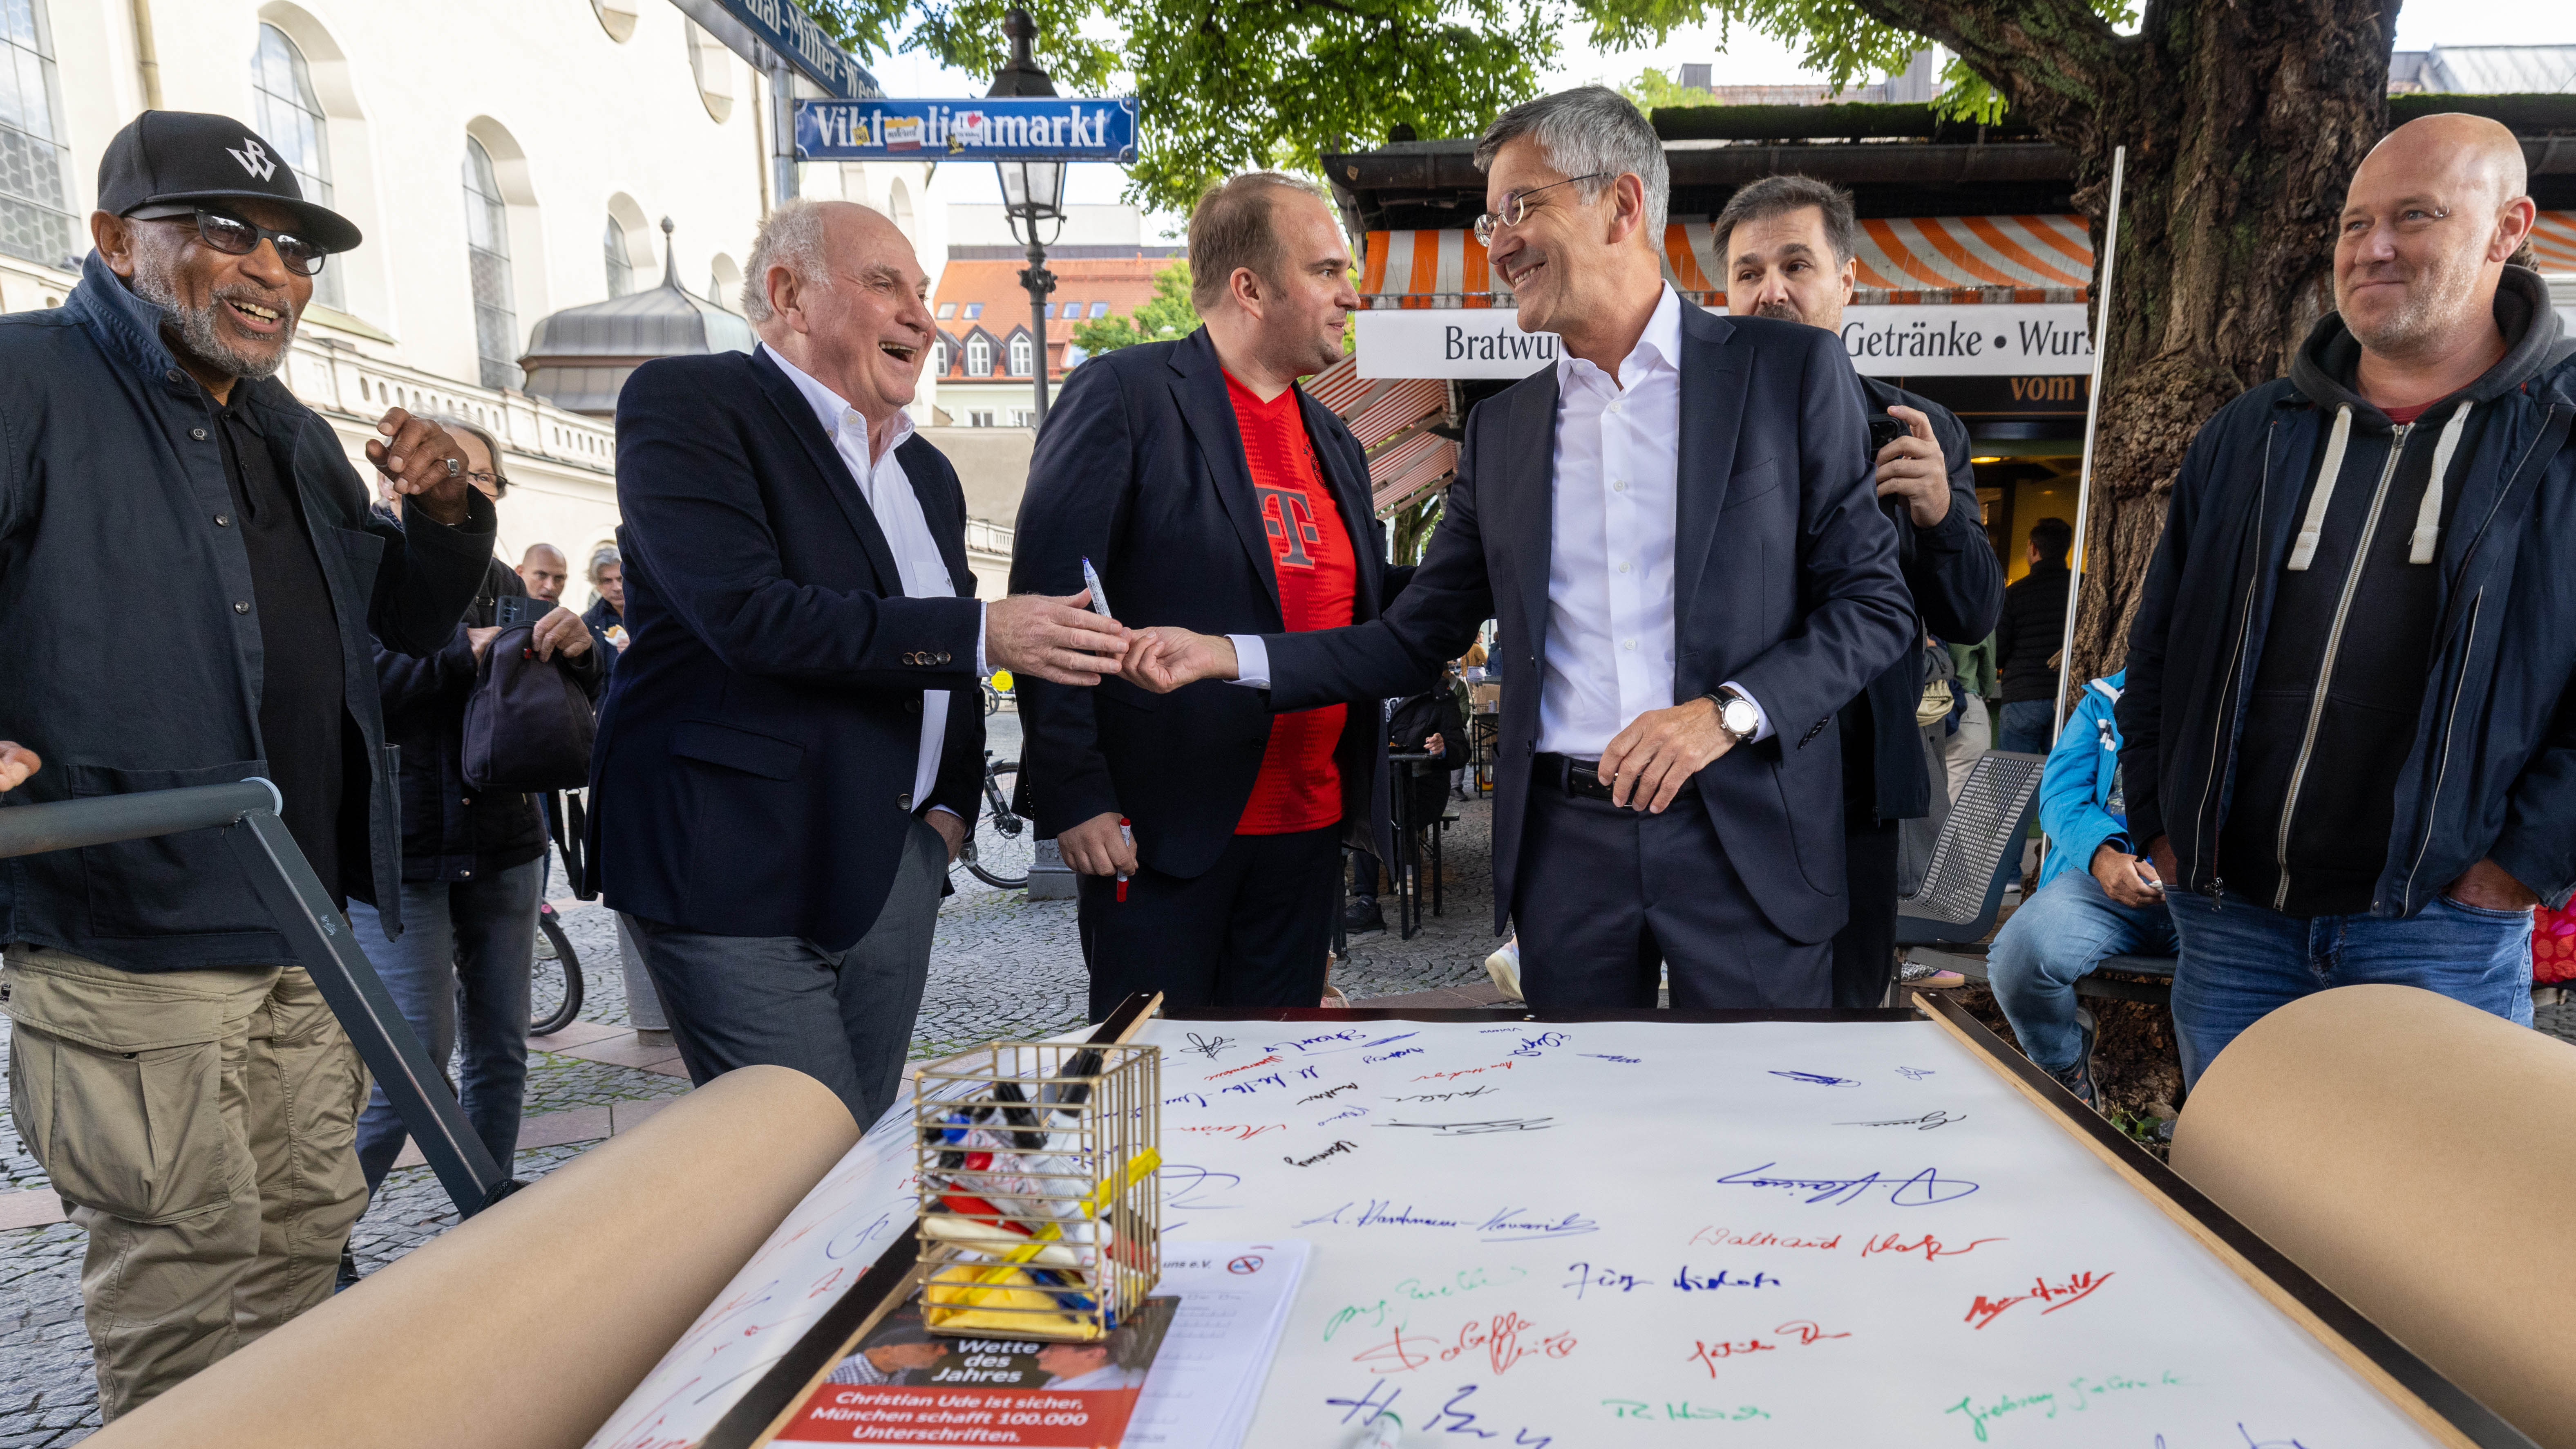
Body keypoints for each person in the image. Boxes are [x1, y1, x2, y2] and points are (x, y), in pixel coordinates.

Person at [1122, 87, 1912, 1011]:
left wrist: (1724, 713)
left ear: (1620, 204)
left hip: (1747, 829)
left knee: (1751, 1129)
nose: (1495, 244)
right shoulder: (1502, 428)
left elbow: (1872, 606)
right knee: (1574, 1130)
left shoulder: (1788, 373)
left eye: (1519, 207)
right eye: (1488, 217)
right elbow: (1410, 637)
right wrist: (1228, 656)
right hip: (1566, 853)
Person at [0, 110, 494, 1416]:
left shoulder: (289, 429)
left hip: (302, 926)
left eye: (292, 246)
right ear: (114, 240)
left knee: (297, 1255)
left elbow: (397, 619)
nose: (269, 267)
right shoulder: (28, 376)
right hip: (131, 939)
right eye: (224, 230)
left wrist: (444, 517)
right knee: (186, 1278)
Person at [590, 199, 1128, 1131]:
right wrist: (985, 631)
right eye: (885, 284)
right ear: (789, 296)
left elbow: (946, 663)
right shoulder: (691, 405)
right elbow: (748, 616)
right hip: (736, 869)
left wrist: (948, 816)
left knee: (865, 1138)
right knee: (799, 1164)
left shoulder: (928, 475)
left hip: (892, 868)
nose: (922, 315)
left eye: (923, 291)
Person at [2121, 112, 2574, 1086]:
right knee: (2234, 1212)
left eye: (2413, 216)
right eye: (2352, 223)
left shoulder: (2563, 439)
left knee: (2420, 1218)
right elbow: (2156, 646)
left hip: (2437, 930)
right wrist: (2163, 822)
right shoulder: (2247, 432)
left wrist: (2516, 868)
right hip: (2230, 923)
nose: (2371, 248)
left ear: (2508, 228)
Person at [1010, 172, 1395, 1018]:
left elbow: (1353, 608)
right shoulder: (1124, 396)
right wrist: (1076, 794)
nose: (1350, 293)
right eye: (1327, 270)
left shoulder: (1336, 438)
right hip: (1160, 836)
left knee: (1277, 1078)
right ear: (1249, 288)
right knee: (1160, 1088)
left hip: (1306, 832)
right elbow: (1049, 605)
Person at [1713, 174, 2005, 1009]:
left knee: (1847, 1019)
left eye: (1795, 264)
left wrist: (1942, 514)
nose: (1770, 290)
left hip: (1858, 786)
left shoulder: (1912, 427)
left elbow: (1972, 613)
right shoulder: (1688, 433)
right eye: (1747, 272)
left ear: (1845, 280)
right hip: (1728, 771)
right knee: (1721, 1020)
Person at [348, 420, 602, 1204]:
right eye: (442, 471)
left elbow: (569, 706)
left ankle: (486, 1200)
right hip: (401, 847)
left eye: (480, 478)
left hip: (503, 840)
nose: (461, 486)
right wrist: (464, 655)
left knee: (501, 1043)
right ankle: (320, 1235)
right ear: (396, 482)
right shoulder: (356, 569)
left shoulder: (506, 584)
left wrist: (584, 654)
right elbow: (354, 690)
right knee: (413, 1053)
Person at [1987, 671, 2175, 1106]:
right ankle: (2064, 1068)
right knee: (2019, 958)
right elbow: (2060, 793)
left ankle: (2221, 1117)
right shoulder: (2107, 698)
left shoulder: (2261, 687)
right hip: (2105, 881)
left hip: (2212, 894)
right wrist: (2102, 855)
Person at [1992, 517, 2072, 754]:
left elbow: (1998, 652)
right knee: (2062, 781)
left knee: (2014, 781)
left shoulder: (2014, 593)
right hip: (2069, 696)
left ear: (2034, 548)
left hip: (2022, 695)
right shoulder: (2083, 588)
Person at [1944, 631, 1999, 800]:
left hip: (1921, 707)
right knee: (1968, 809)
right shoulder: (1975, 607)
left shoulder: (1917, 605)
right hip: (1966, 702)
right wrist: (1986, 689)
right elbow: (1988, 668)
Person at [584, 544, 627, 667]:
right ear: (597, 584)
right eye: (607, 581)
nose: (617, 588)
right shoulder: (588, 623)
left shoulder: (652, 614)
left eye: (621, 579)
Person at [516, 541, 570, 605]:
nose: (551, 587)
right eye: (541, 575)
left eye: (559, 578)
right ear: (520, 572)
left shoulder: (565, 614)